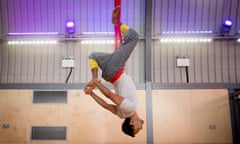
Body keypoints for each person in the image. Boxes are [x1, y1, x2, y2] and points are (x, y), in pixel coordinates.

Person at [84, 6, 144, 137]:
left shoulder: (130, 109)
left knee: (133, 37)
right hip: (110, 74)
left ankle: (116, 22)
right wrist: (91, 94)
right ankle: (94, 77)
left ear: (132, 123)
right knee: (93, 56)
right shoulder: (121, 115)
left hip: (115, 70)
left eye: (138, 129)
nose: (141, 128)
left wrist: (97, 84)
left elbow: (110, 96)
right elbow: (105, 105)